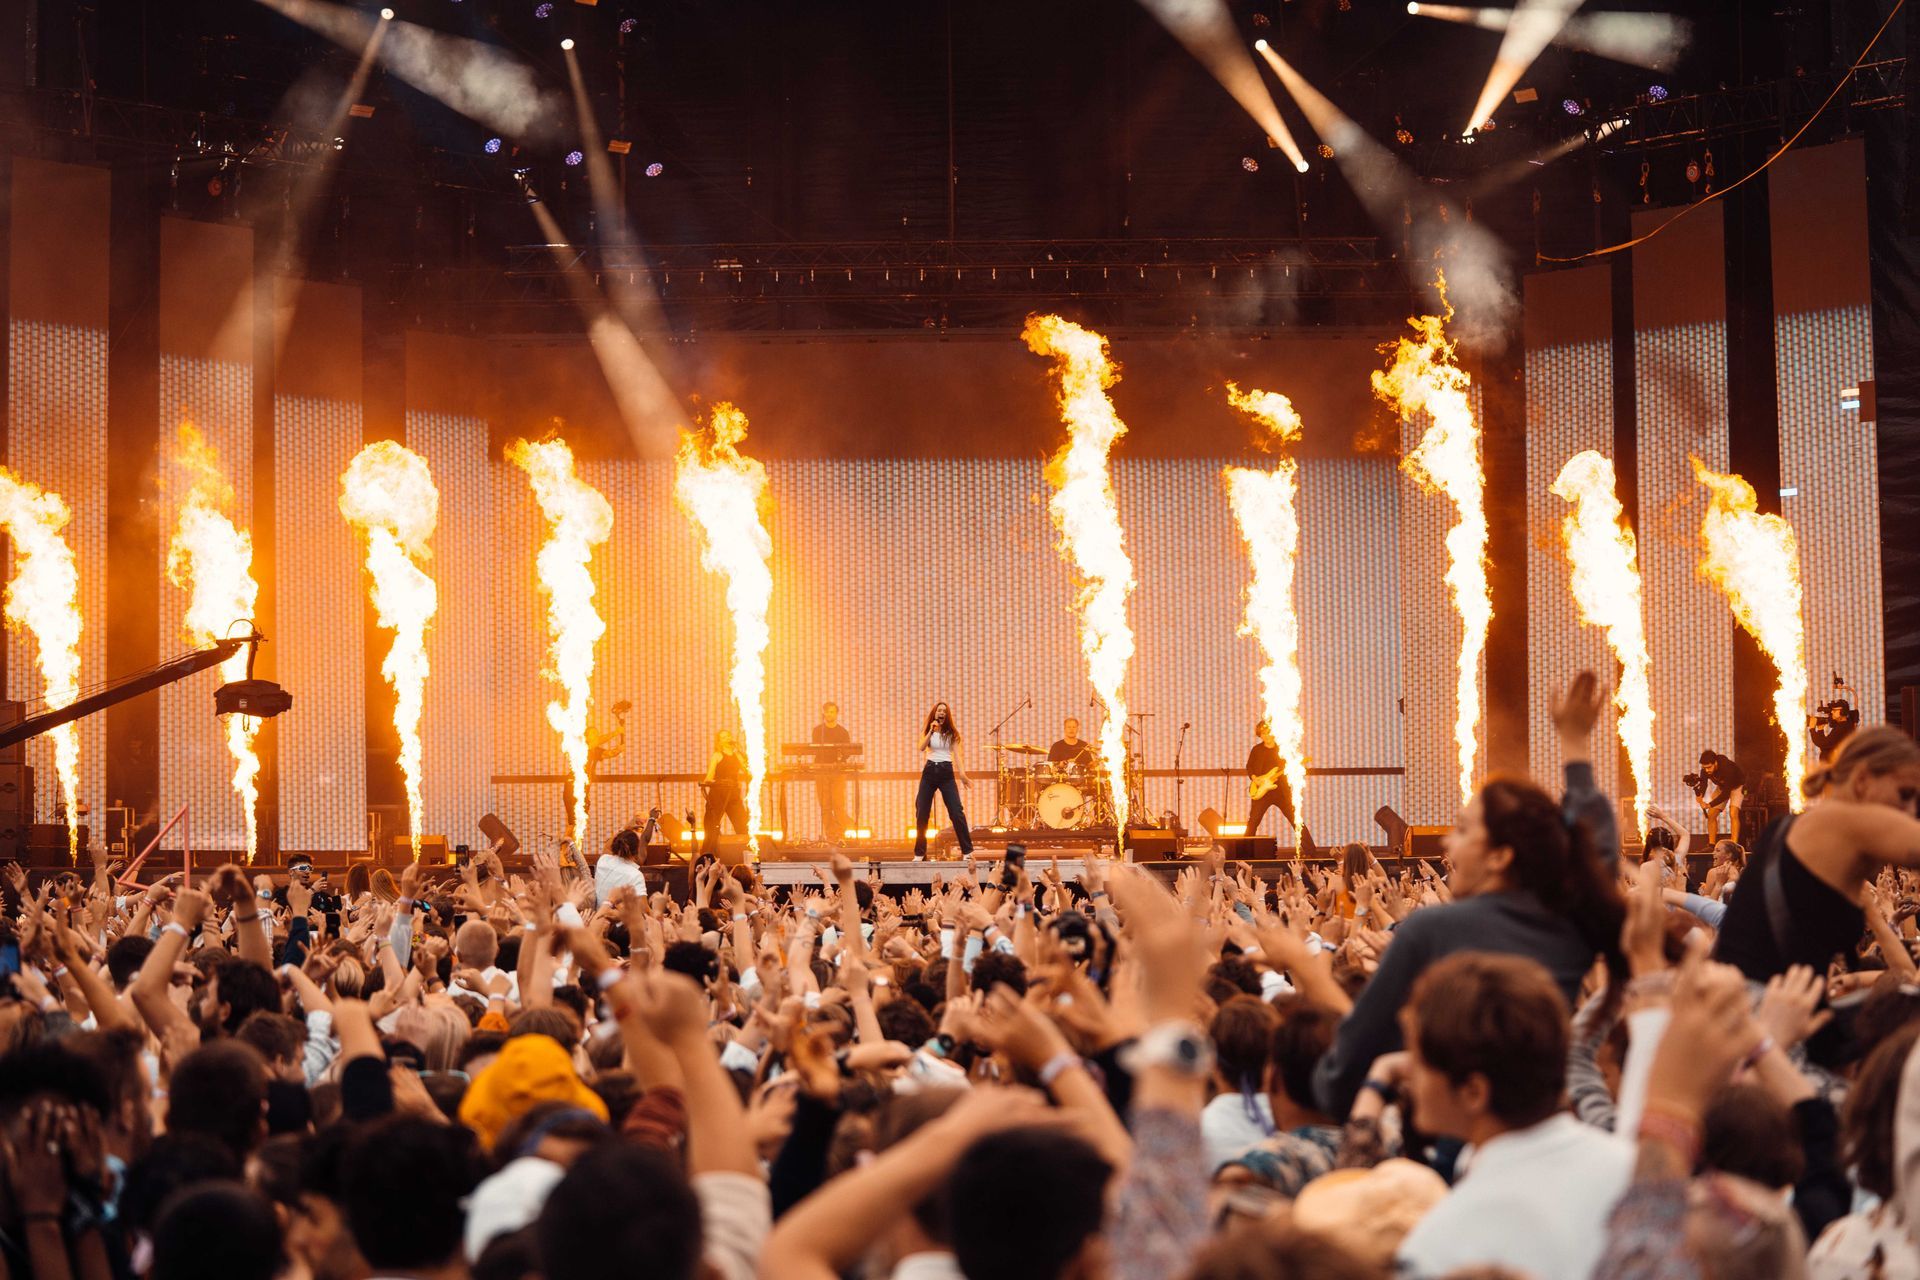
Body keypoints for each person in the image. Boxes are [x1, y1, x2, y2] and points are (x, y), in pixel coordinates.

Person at [1308, 670, 1625, 1119]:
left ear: (1499, 856)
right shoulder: (1566, 919)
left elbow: (1351, 1061)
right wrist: (1575, 748)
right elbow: (1597, 850)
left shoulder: (1433, 930)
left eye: (1461, 830)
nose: (1446, 844)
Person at [1383, 952, 1634, 1278]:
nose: (1406, 1071)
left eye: (1420, 1059)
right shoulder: (1640, 1172)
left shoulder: (1437, 1250)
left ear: (1473, 1092)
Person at [1714, 726, 1920, 982]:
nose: (1910, 810)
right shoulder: (1847, 821)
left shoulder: (1796, 827)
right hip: (1760, 1004)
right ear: (1863, 780)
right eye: (1905, 794)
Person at [912, 703, 974, 859]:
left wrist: (962, 775)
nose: (941, 713)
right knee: (922, 812)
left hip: (946, 772)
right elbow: (921, 747)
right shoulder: (929, 730)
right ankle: (920, 853)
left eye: (944, 711)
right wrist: (931, 731)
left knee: (956, 812)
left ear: (947, 715)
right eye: (939, 710)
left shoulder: (952, 733)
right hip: (929, 771)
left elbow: (957, 756)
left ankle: (967, 851)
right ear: (934, 713)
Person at [1243, 721, 1303, 847]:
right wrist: (1255, 778)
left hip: (1281, 791)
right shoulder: (1256, 750)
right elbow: (1249, 766)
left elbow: (1291, 766)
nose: (1265, 736)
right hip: (1261, 791)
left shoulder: (1283, 749)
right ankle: (1244, 851)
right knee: (1253, 822)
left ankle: (1311, 852)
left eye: (1268, 733)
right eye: (1262, 734)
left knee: (1296, 820)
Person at [702, 729, 752, 857]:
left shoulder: (737, 755)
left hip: (733, 794)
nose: (727, 738)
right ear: (719, 741)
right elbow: (709, 777)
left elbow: (747, 771)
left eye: (728, 735)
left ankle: (746, 854)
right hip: (718, 794)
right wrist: (716, 782)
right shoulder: (717, 755)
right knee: (712, 826)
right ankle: (708, 855)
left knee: (742, 824)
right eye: (723, 737)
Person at [811, 701, 855, 841]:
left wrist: (839, 759)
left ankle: (845, 831)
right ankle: (831, 835)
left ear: (836, 713)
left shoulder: (842, 732)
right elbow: (816, 748)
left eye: (832, 711)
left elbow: (847, 752)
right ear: (823, 713)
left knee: (838, 803)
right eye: (827, 711)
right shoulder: (818, 730)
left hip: (837, 770)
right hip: (821, 770)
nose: (829, 714)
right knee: (825, 805)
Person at [1694, 748, 1747, 843]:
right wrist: (1700, 795)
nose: (1707, 770)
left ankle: (1733, 844)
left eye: (1709, 767)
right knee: (1711, 814)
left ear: (1715, 763)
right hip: (1722, 786)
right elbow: (1703, 784)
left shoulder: (1727, 768)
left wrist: (1709, 804)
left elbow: (1726, 794)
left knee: (1733, 813)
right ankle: (1711, 844)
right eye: (1704, 768)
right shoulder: (1705, 770)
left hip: (1736, 786)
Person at [593, 825, 648, 906]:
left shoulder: (603, 861)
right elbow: (644, 910)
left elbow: (607, 847)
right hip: (621, 918)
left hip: (597, 915)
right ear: (637, 850)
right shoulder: (635, 875)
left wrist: (625, 828)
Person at [1810, 698, 1861, 764]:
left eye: (1834, 710)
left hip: (1834, 765)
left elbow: (1823, 743)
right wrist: (1820, 730)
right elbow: (1825, 746)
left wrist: (1812, 729)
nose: (1832, 712)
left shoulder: (1842, 728)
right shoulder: (1845, 725)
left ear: (1842, 711)